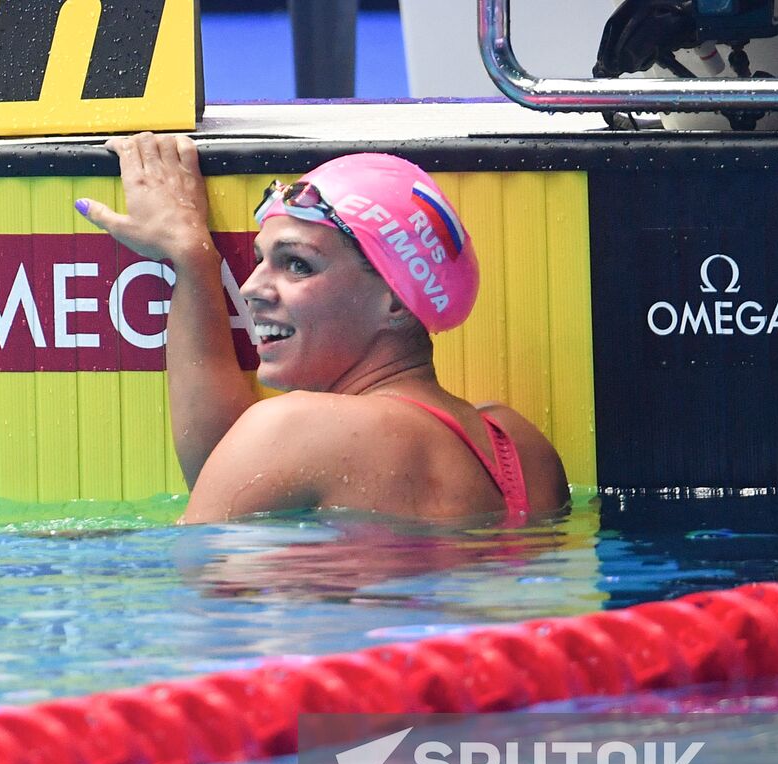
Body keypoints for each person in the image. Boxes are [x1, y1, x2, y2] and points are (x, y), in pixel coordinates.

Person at [76, 133, 569, 524]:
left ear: (395, 300)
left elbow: (207, 581)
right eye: (259, 261)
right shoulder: (521, 448)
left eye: (297, 265)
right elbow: (230, 477)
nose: (250, 287)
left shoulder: (294, 428)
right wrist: (191, 257)